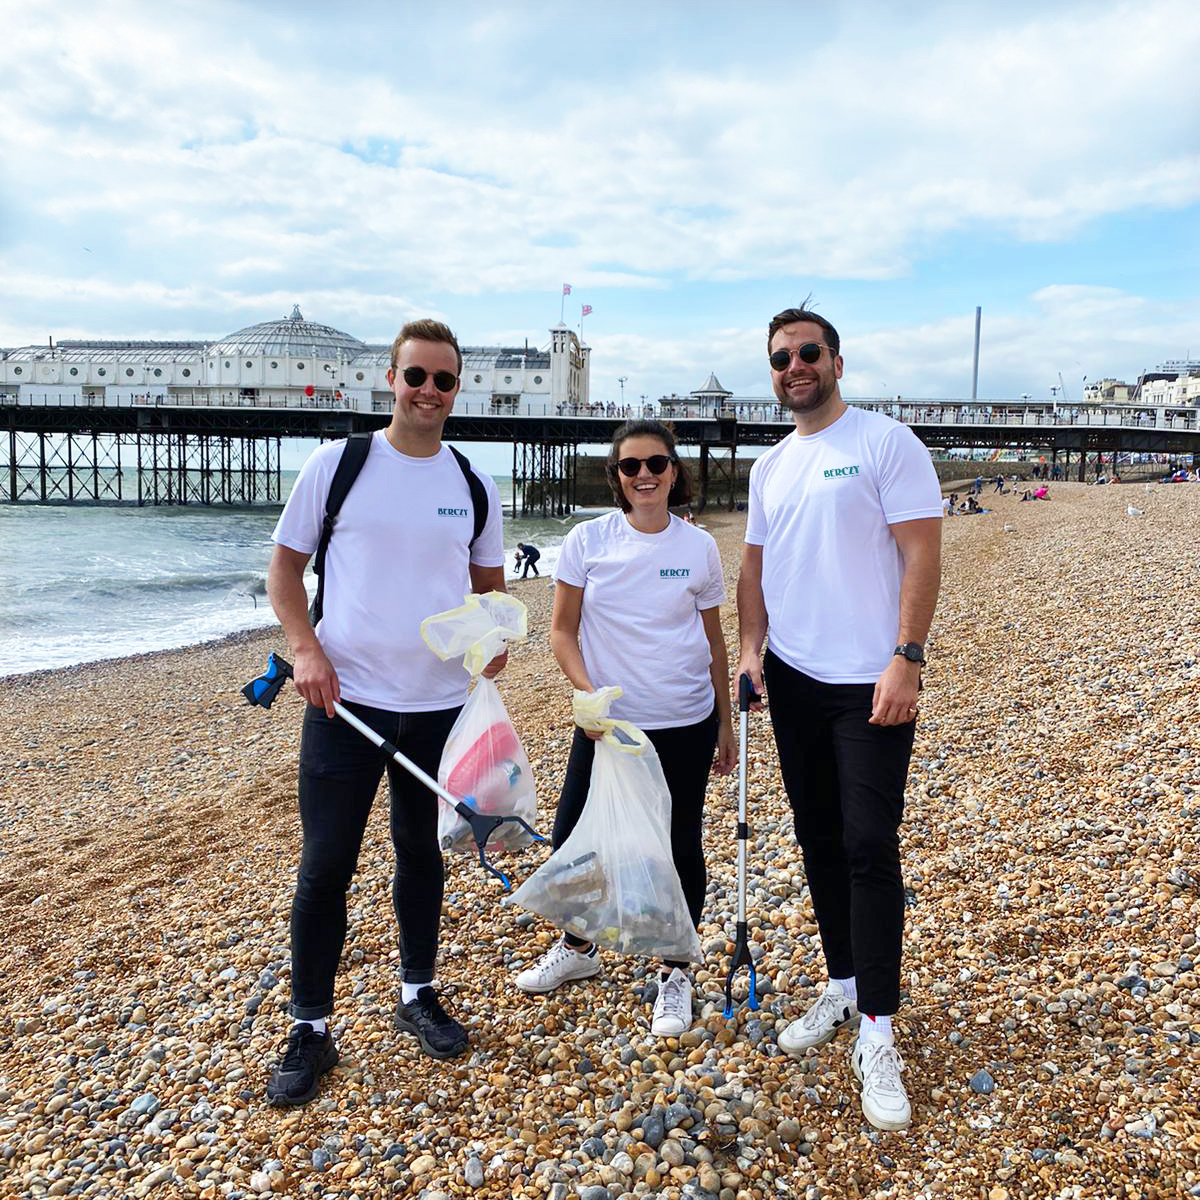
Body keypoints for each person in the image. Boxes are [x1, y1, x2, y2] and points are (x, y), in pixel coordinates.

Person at [264, 319, 507, 1105]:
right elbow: (284, 570)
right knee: (325, 865)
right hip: (346, 704)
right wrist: (305, 650)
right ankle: (310, 1027)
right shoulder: (339, 465)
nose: (429, 391)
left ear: (457, 389)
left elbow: (490, 592)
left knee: (421, 855)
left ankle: (417, 993)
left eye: (444, 380)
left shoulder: (471, 482)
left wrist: (491, 643)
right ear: (391, 380)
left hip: (438, 708)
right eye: (416, 376)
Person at [737, 305, 942, 1131]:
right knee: (818, 838)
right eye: (781, 357)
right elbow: (754, 568)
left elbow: (922, 550)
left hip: (870, 680)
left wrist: (907, 656)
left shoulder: (886, 443)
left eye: (809, 352)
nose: (795, 366)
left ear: (836, 362)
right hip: (792, 678)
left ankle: (879, 1032)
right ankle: (844, 984)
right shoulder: (770, 467)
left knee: (868, 845)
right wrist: (749, 652)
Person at [515, 419, 736, 1036]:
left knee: (677, 842)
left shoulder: (697, 548)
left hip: (684, 718)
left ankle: (676, 970)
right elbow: (562, 631)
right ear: (615, 476)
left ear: (673, 471)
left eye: (656, 464)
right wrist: (588, 695)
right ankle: (578, 948)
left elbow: (715, 641)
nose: (644, 475)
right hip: (606, 724)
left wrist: (725, 723)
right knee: (572, 835)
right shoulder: (587, 540)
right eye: (630, 465)